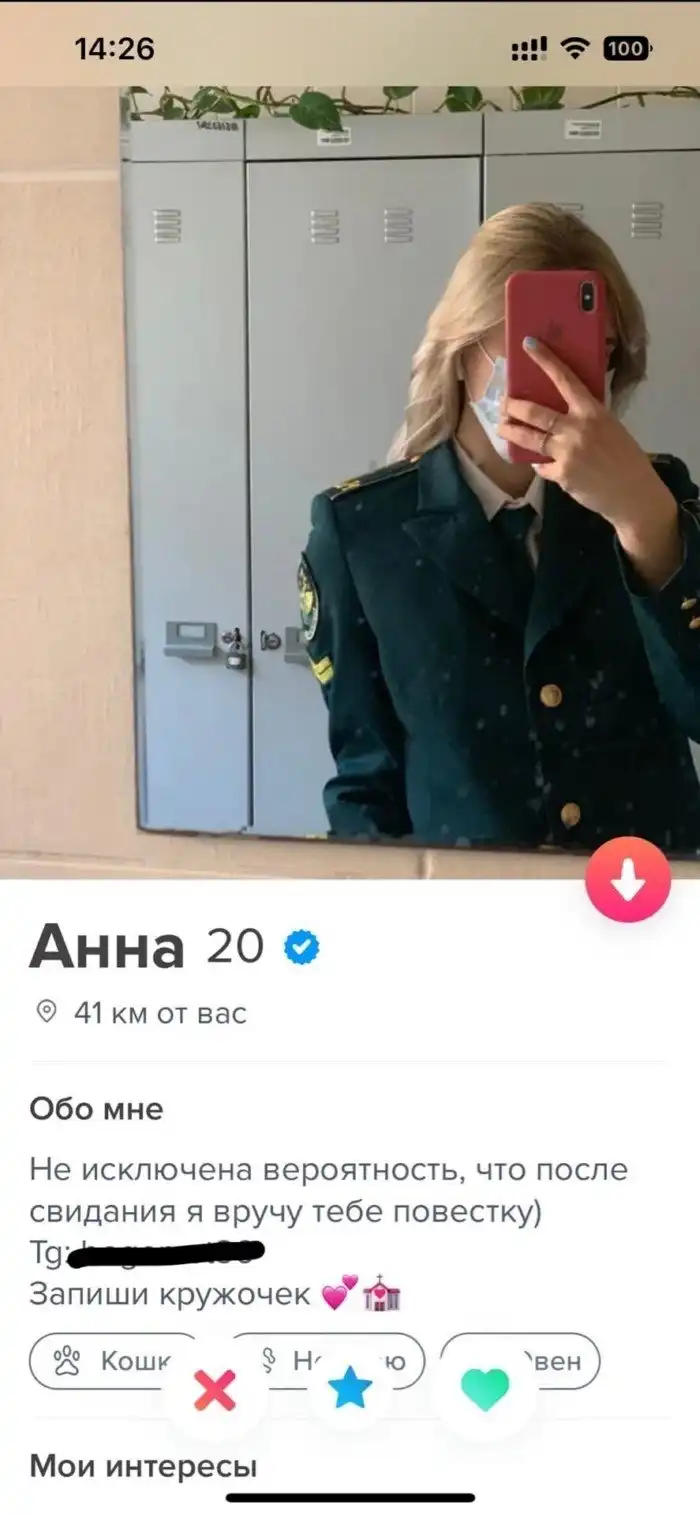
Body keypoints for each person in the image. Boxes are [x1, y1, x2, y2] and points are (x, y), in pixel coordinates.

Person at [298, 203, 700, 852]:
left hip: (640, 893)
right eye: (534, 349)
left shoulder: (658, 498)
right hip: (468, 907)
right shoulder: (362, 533)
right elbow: (367, 783)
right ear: (462, 351)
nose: (564, 381)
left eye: (589, 353)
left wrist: (644, 522)